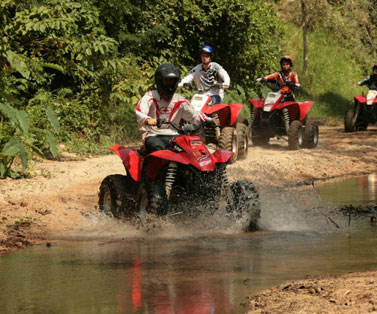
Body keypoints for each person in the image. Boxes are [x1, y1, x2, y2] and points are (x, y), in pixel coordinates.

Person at [135, 64, 218, 154]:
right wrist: (148, 119)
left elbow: (194, 114)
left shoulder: (180, 100)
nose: (170, 84)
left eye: (172, 81)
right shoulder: (150, 96)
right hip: (152, 135)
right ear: (159, 81)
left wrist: (209, 120)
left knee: (189, 151)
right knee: (157, 149)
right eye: (167, 80)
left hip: (173, 135)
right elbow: (139, 112)